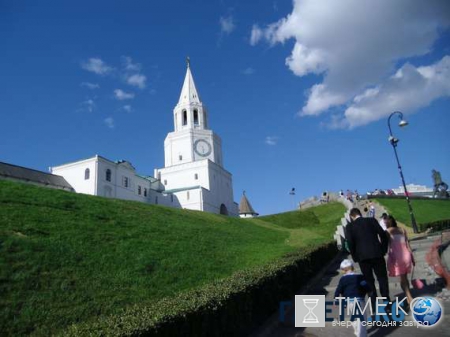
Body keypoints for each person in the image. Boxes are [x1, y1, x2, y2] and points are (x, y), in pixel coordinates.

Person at [345, 208, 390, 311]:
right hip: (377, 254)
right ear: (360, 213)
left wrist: (355, 257)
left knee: (369, 281)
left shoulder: (350, 226)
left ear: (352, 216)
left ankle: (374, 305)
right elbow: (383, 234)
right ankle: (387, 302)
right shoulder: (371, 220)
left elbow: (350, 243)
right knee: (382, 278)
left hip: (362, 257)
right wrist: (383, 249)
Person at [335, 259, 369, 337]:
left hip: (349, 301)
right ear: (353, 268)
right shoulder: (360, 277)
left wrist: (336, 298)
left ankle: (357, 331)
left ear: (343, 270)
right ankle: (361, 335)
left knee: (354, 317)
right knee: (362, 318)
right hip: (359, 300)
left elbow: (338, 289)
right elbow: (365, 285)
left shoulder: (343, 279)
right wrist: (369, 291)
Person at [386, 215, 415, 305]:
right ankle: (408, 298)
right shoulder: (402, 230)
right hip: (406, 255)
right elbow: (408, 245)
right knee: (405, 278)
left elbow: (387, 245)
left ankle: (409, 297)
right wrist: (412, 257)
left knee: (402, 279)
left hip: (397, 257)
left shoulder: (387, 232)